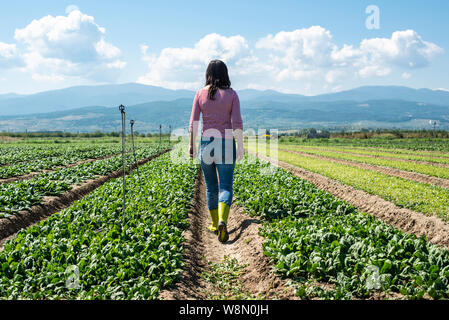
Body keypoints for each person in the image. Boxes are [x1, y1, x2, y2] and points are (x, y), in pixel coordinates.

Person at [189, 59, 244, 243]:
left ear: (208, 74)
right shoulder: (232, 95)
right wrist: (241, 146)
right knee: (226, 186)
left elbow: (194, 124)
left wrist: (191, 145)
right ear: (225, 74)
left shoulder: (199, 94)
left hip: (206, 144)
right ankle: (223, 220)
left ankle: (214, 224)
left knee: (211, 187)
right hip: (226, 144)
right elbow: (237, 123)